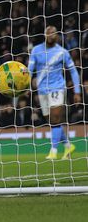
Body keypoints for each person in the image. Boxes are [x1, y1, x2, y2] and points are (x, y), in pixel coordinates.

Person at [28, 25, 82, 160]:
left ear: (57, 35)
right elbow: (29, 70)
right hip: (42, 90)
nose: (51, 35)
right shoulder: (36, 50)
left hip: (57, 88)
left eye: (54, 33)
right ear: (45, 35)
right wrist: (26, 86)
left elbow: (73, 71)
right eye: (49, 32)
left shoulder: (62, 52)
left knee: (56, 119)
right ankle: (69, 146)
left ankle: (53, 151)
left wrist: (77, 91)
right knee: (52, 121)